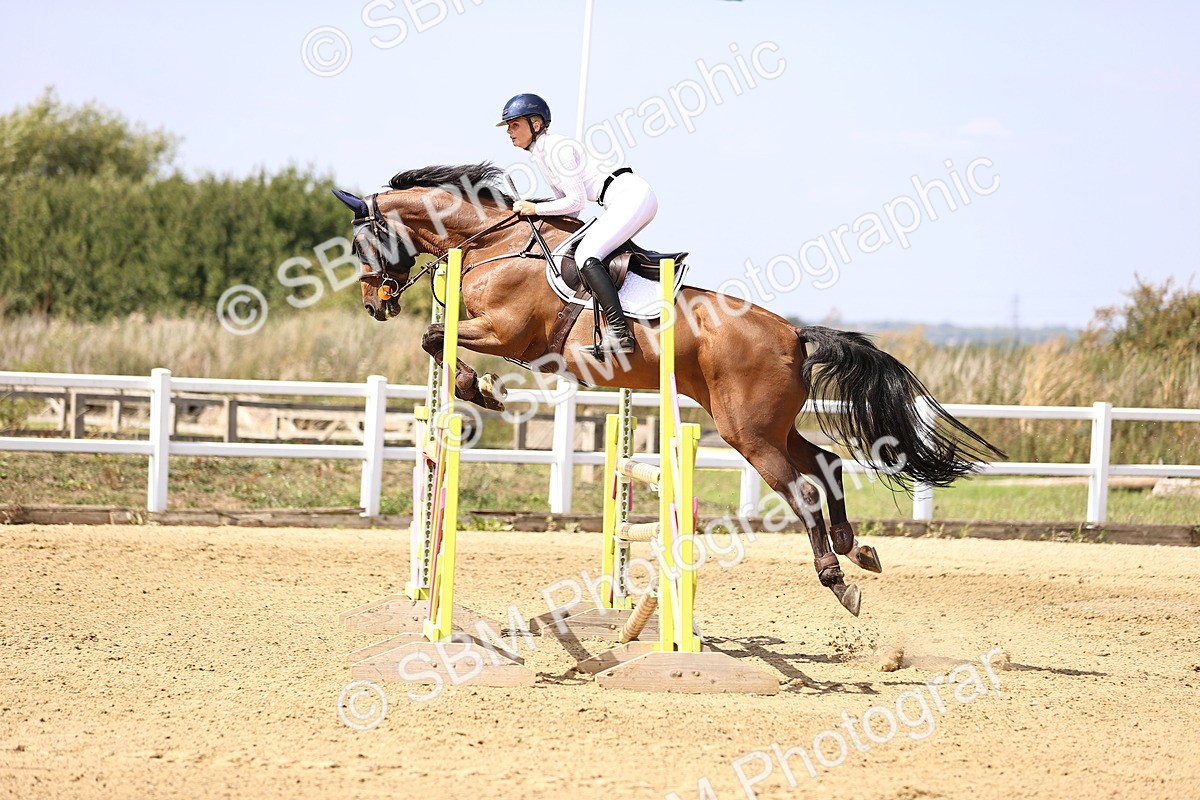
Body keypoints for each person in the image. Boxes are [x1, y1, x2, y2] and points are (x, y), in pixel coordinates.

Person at [498, 93, 658, 355]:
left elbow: (575, 201)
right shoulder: (542, 155)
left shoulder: (556, 149)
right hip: (623, 199)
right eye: (508, 126)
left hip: (630, 196)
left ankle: (619, 332)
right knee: (588, 250)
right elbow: (570, 209)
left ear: (536, 124)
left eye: (514, 124)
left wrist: (534, 207)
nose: (509, 131)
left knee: (586, 254)